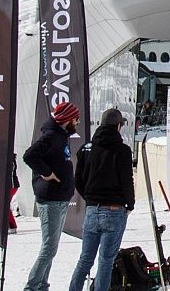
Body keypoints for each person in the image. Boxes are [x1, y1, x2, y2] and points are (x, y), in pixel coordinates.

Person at [68, 109, 133, 291]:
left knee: (85, 258)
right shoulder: (122, 151)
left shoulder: (86, 148)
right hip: (114, 210)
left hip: (92, 210)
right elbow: (127, 181)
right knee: (106, 260)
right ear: (118, 126)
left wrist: (89, 198)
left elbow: (78, 179)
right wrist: (130, 204)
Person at [21, 102, 80, 291]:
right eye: (75, 119)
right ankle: (32, 287)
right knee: (49, 248)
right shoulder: (52, 136)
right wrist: (46, 173)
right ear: (67, 120)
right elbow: (29, 155)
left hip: (60, 198)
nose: (78, 122)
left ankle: (41, 285)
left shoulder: (61, 136)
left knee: (51, 248)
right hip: (51, 199)